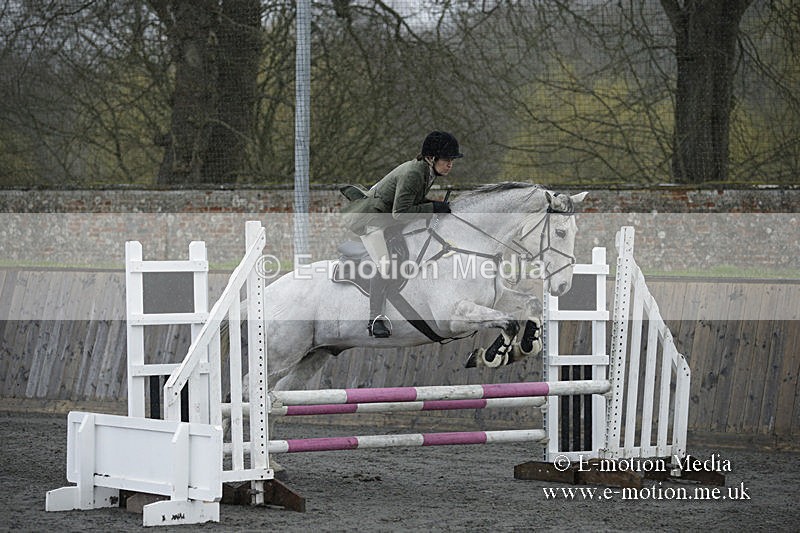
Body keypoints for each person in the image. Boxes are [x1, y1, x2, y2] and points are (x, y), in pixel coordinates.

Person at [341, 131, 463, 338]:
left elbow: (411, 204)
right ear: (431, 158)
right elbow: (401, 213)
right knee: (386, 265)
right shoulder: (414, 173)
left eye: (452, 160)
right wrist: (433, 208)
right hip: (372, 222)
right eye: (446, 159)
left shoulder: (426, 172)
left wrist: (436, 206)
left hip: (387, 219)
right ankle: (375, 319)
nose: (450, 164)